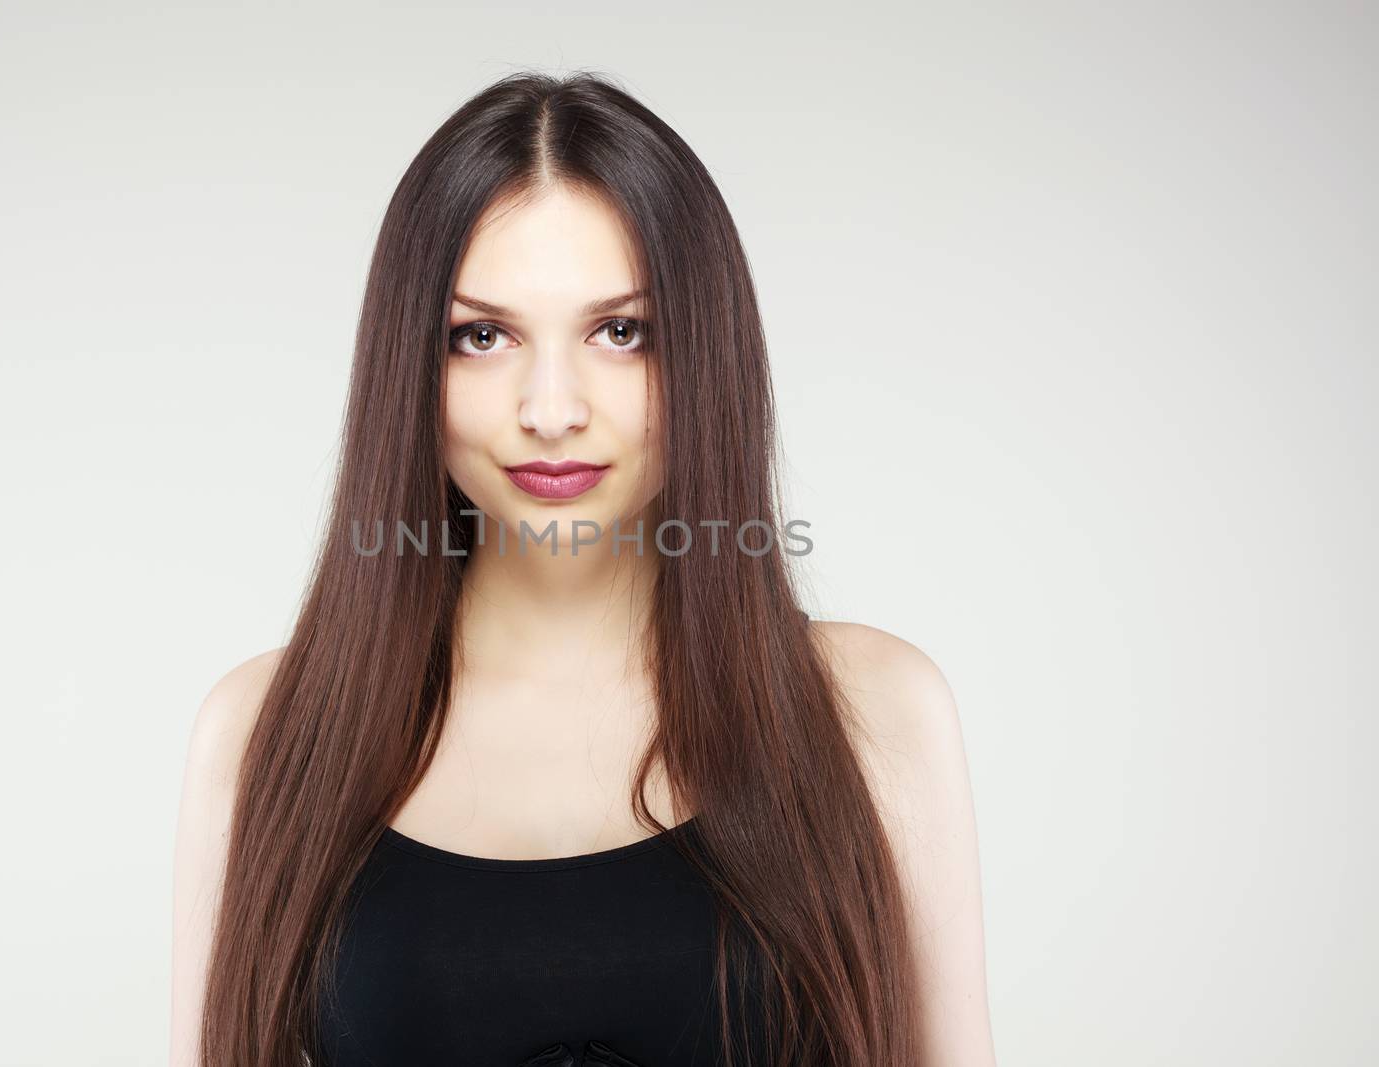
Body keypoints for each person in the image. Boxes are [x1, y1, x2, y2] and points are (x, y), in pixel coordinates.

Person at [171, 70, 994, 1067]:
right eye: (482, 335)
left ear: (703, 351)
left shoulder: (874, 709)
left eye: (619, 331)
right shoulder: (266, 732)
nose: (551, 407)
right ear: (410, 365)